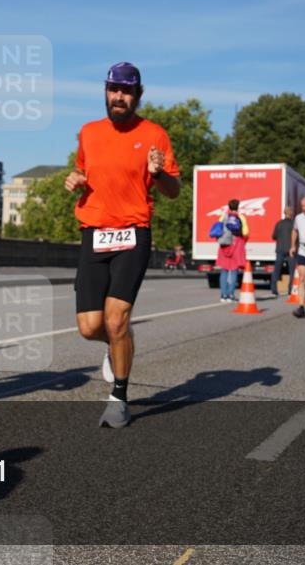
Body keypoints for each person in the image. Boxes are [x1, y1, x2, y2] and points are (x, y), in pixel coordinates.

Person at [65, 61, 180, 428]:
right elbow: (85, 171)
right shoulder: (88, 132)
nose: (119, 96)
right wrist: (76, 179)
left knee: (116, 319)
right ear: (105, 90)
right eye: (113, 89)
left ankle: (119, 396)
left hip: (133, 233)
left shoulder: (155, 134)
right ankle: (118, 344)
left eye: (127, 91)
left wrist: (159, 173)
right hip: (94, 233)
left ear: (138, 95)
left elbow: (174, 191)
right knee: (89, 327)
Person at [215, 200, 249, 303]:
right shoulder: (241, 217)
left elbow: (217, 230)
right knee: (234, 270)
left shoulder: (223, 216)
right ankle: (230, 295)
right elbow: (246, 232)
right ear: (238, 207)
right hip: (237, 244)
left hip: (224, 244)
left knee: (224, 270)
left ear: (229, 207)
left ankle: (223, 295)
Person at [270, 206, 295, 296]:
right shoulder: (293, 224)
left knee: (277, 269)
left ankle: (274, 289)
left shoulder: (279, 223)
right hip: (290, 250)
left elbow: (273, 236)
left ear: (284, 213)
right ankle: (291, 289)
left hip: (280, 249)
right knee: (292, 271)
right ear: (291, 213)